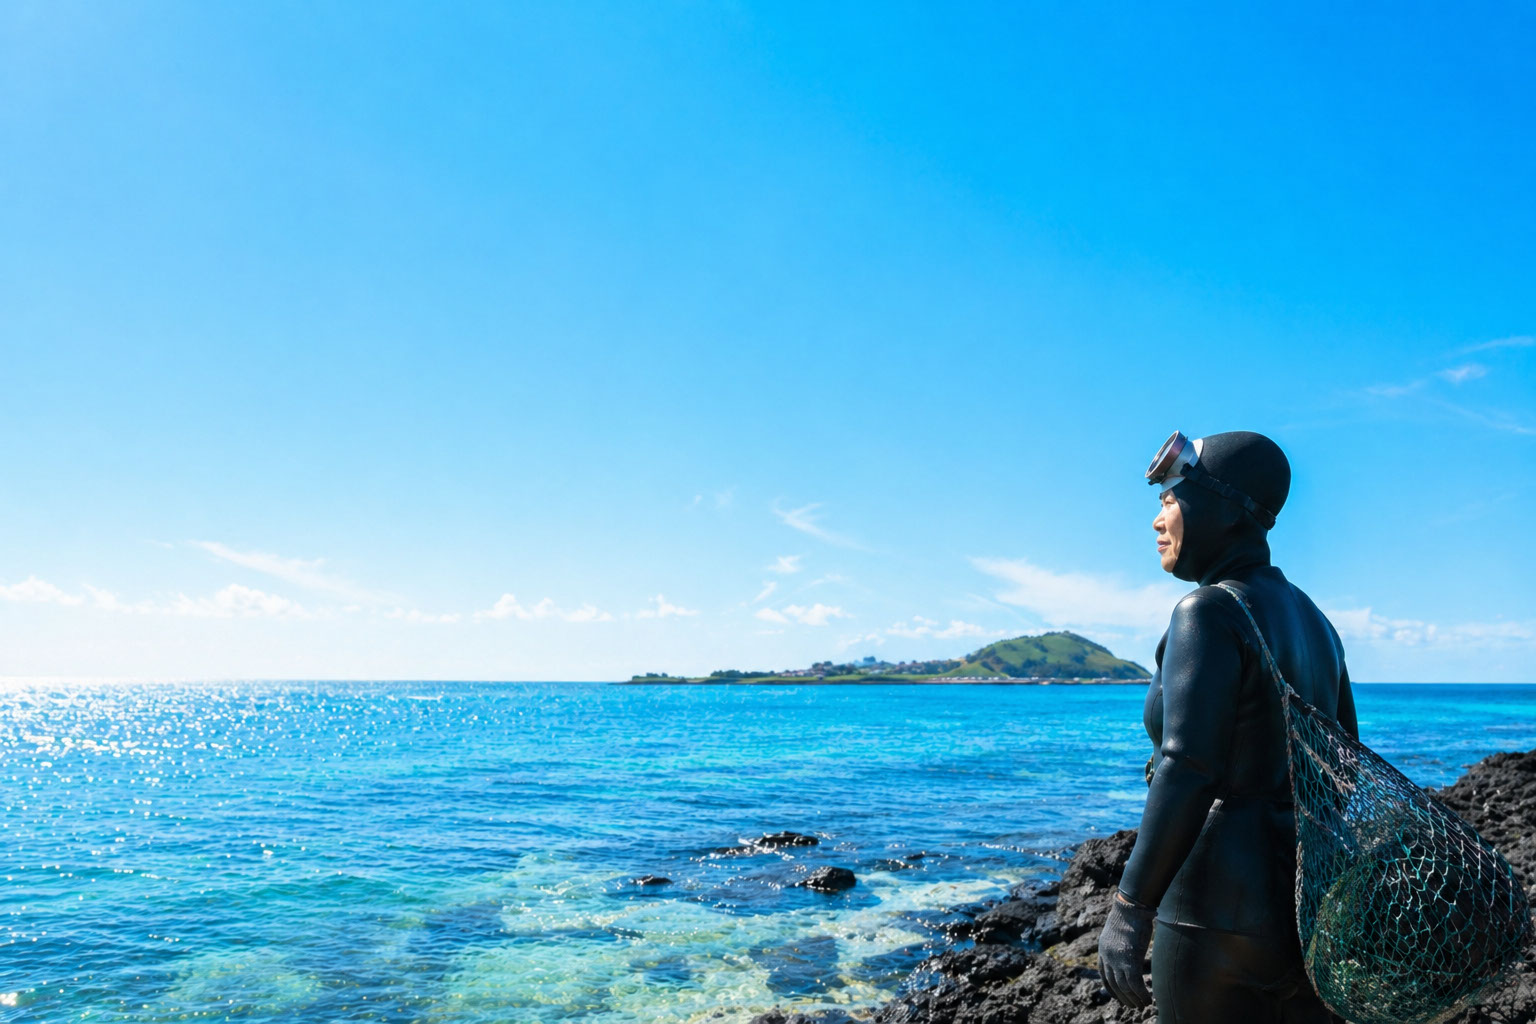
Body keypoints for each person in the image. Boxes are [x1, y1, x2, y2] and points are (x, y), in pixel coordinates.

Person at [1097, 430, 1358, 1023]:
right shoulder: (1319, 625)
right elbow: (1343, 773)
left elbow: (1187, 767)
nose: (1158, 520)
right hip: (1305, 907)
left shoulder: (1209, 610)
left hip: (1212, 906)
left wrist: (1130, 907)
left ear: (1226, 508)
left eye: (1170, 499)